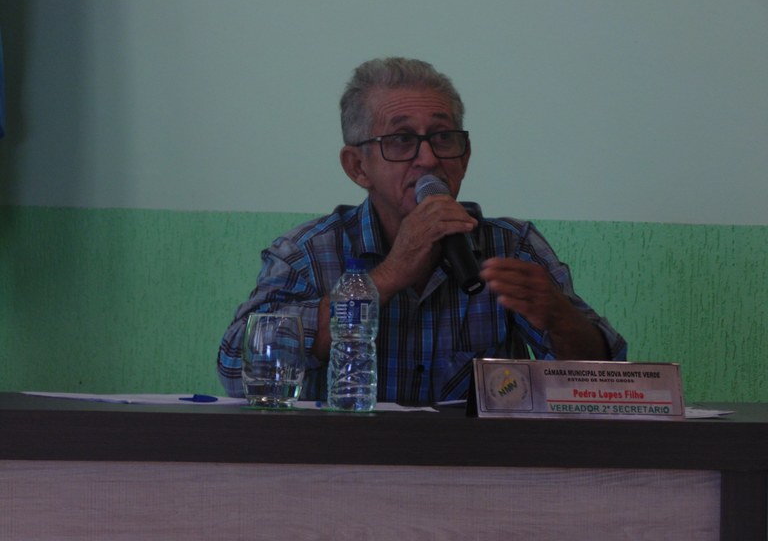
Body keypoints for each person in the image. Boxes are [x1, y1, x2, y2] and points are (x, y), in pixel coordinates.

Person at [218, 57, 627, 405]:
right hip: (342, 467)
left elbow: (605, 382)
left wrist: (560, 318)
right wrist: (387, 276)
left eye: (443, 138)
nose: (429, 159)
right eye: (401, 139)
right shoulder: (306, 252)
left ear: (464, 157)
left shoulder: (512, 246)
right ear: (358, 167)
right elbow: (236, 369)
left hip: (475, 467)